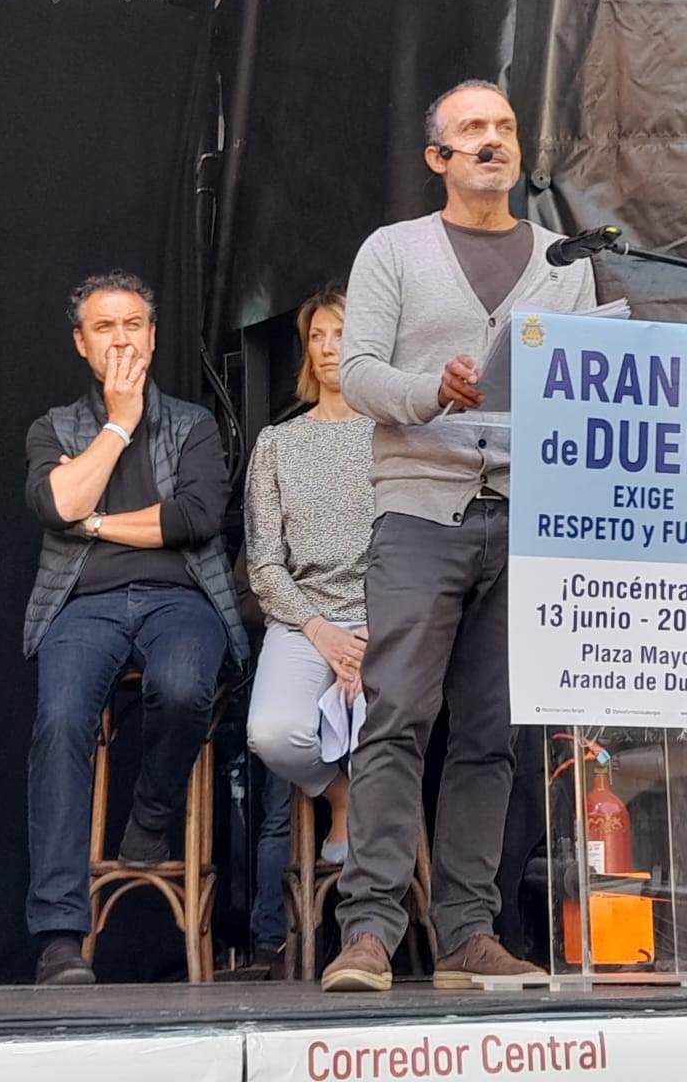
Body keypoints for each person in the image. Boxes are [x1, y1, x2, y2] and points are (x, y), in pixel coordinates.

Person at [322, 80, 597, 991]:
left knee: (490, 735)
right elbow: (358, 372)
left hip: (525, 515)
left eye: (506, 128)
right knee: (397, 716)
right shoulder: (393, 250)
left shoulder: (563, 258)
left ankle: (467, 932)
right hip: (419, 509)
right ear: (438, 157)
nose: (493, 141)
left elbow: (584, 379)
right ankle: (366, 930)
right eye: (472, 129)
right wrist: (429, 392)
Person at [21, 270, 249, 986]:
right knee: (59, 721)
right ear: (82, 345)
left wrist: (94, 522)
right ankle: (60, 935)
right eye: (104, 327)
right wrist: (117, 424)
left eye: (132, 325)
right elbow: (58, 504)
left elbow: (194, 520)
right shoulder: (54, 427)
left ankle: (151, 816)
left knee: (184, 689)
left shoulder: (194, 424)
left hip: (179, 600)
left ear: (152, 336)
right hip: (82, 607)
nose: (121, 338)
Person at [243, 288, 376, 966]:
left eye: (342, 332)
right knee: (271, 731)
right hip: (302, 618)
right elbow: (264, 564)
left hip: (385, 619)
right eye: (318, 335)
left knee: (403, 732)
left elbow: (412, 549)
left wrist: (369, 638)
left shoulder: (394, 435)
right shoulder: (278, 444)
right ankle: (342, 799)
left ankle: (379, 928)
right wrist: (321, 631)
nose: (328, 347)